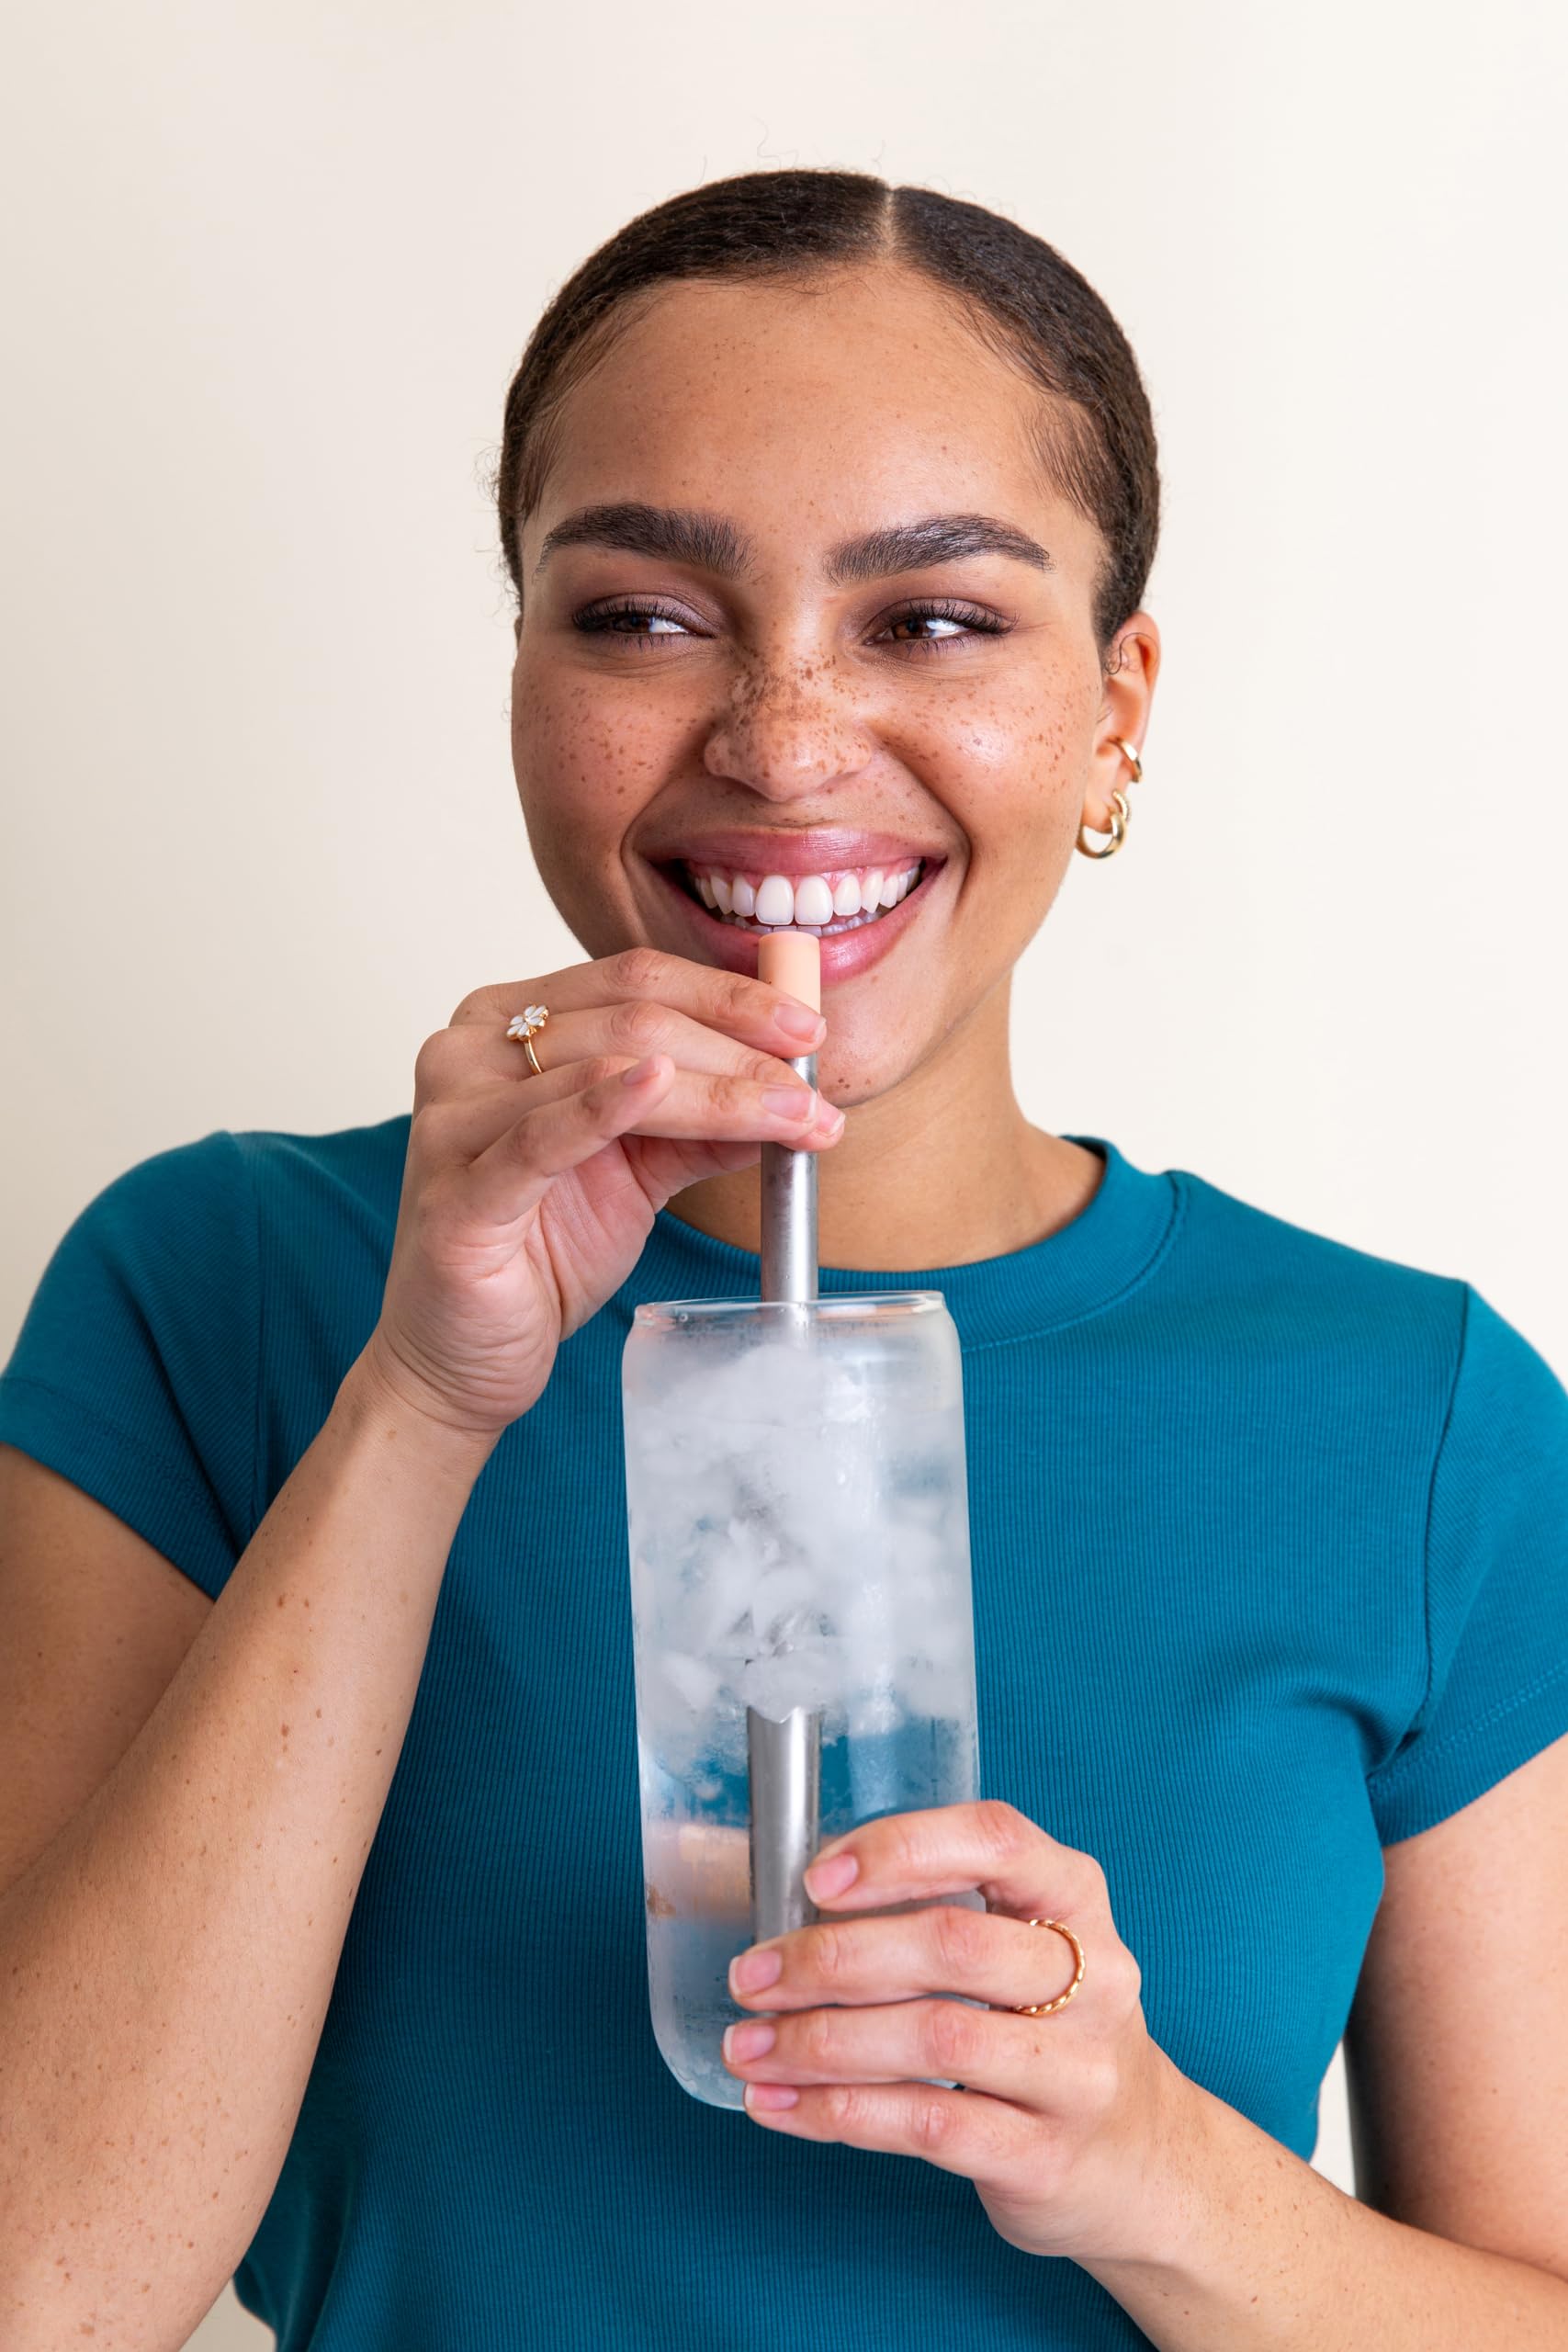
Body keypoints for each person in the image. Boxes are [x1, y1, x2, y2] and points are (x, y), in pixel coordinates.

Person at [1, 166, 1565, 2352]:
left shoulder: (1417, 1419)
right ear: (523, 666)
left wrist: (1153, 2165)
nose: (784, 740)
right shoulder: (221, 1289)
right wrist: (422, 1400)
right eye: (641, 612)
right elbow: (45, 2293)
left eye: (931, 620)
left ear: (1115, 705)